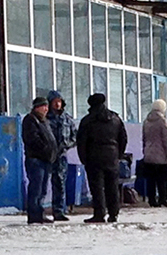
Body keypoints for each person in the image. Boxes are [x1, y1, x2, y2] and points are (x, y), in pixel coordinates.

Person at [76, 93, 128, 223]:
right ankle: (113, 213)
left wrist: (84, 158)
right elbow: (123, 138)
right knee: (113, 186)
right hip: (112, 156)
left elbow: (81, 141)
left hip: (94, 157)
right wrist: (118, 154)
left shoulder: (87, 121)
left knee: (97, 187)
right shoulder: (115, 119)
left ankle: (99, 213)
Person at [22, 96, 59, 224]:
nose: (46, 109)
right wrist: (45, 150)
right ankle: (34, 215)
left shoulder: (44, 121)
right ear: (37, 107)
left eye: (47, 106)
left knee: (43, 189)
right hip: (36, 159)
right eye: (44, 106)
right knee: (36, 188)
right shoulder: (30, 120)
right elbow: (33, 139)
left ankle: (39, 213)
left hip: (46, 160)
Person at [46, 90, 76, 221]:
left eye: (59, 101)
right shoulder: (45, 118)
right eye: (54, 102)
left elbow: (75, 136)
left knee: (60, 184)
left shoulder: (67, 119)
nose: (57, 104)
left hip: (62, 155)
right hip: (47, 155)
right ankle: (38, 211)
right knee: (41, 184)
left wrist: (67, 145)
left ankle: (59, 211)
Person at [141, 99, 167, 207]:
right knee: (161, 178)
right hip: (160, 153)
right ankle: (162, 199)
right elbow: (166, 139)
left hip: (149, 153)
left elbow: (144, 138)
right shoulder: (163, 121)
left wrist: (144, 150)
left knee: (151, 179)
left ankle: (152, 200)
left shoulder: (146, 121)